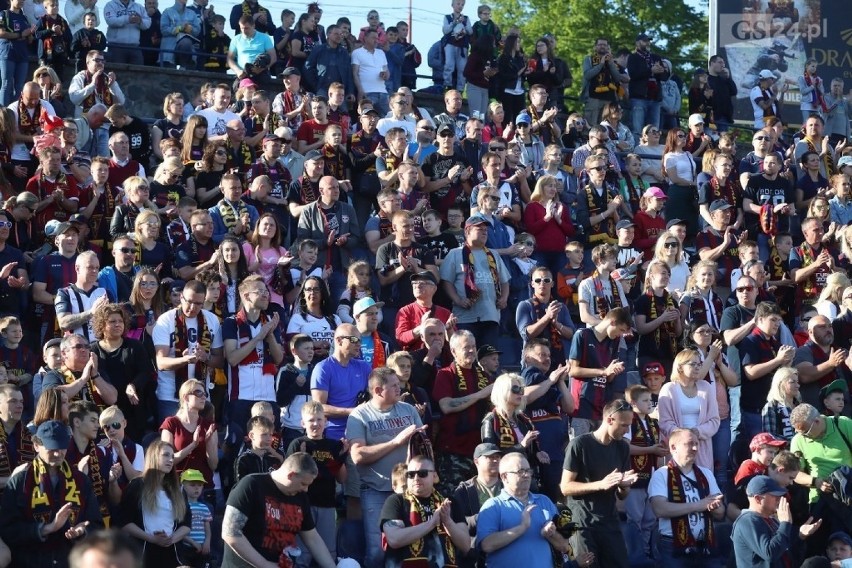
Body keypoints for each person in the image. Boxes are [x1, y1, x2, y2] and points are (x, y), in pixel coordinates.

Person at [348, 366, 425, 567]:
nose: (399, 388)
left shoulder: (408, 410)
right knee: (377, 551)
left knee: (411, 549)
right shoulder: (360, 415)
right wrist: (395, 442)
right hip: (376, 490)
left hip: (410, 491)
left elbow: (421, 448)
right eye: (393, 385)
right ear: (378, 391)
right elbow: (357, 455)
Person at [0, 420, 103, 568]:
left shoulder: (81, 480)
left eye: (62, 447)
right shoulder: (20, 481)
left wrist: (83, 531)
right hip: (30, 562)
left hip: (71, 561)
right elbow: (8, 530)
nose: (58, 453)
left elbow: (96, 524)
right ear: (36, 445)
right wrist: (45, 529)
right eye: (52, 447)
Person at [222, 452, 339, 568]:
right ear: (291, 475)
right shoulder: (251, 485)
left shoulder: (301, 497)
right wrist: (264, 565)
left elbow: (312, 538)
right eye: (303, 484)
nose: (306, 489)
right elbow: (230, 533)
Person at [560, 399, 639, 568]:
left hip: (610, 521)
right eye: (624, 425)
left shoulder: (622, 448)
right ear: (610, 420)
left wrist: (623, 485)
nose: (627, 431)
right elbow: (565, 487)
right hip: (583, 524)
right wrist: (600, 484)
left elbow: (622, 495)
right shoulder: (580, 444)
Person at [477, 451, 574, 567]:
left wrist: (551, 534)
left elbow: (563, 546)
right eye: (521, 471)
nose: (527, 475)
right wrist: (521, 528)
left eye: (528, 471)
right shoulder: (493, 506)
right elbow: (487, 545)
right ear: (504, 477)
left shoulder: (544, 502)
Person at [649, 428, 725, 566]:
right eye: (689, 443)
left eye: (697, 443)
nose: (695, 448)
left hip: (705, 545)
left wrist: (714, 507)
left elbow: (720, 513)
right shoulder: (661, 474)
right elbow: (660, 509)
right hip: (672, 545)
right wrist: (699, 505)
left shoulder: (706, 473)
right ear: (673, 447)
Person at [381, 453, 471, 568]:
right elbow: (394, 539)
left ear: (434, 476)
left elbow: (465, 546)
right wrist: (431, 523)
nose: (416, 478)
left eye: (422, 474)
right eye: (411, 474)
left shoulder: (449, 502)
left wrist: (447, 521)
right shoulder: (396, 501)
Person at [432, 330, 494, 494]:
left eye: (474, 346)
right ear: (453, 351)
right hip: (452, 452)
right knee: (453, 501)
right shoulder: (445, 374)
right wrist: (482, 394)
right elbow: (447, 406)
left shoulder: (483, 376)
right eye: (467, 347)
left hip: (479, 452)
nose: (472, 351)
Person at [152, 279, 224, 421]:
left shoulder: (212, 320)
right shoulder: (165, 320)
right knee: (171, 442)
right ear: (181, 297)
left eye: (198, 303)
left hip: (201, 396)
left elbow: (220, 361)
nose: (192, 307)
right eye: (189, 301)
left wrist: (205, 357)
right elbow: (161, 362)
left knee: (203, 440)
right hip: (171, 395)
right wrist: (184, 360)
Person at [284, 401, 345, 563]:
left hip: (327, 504)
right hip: (303, 504)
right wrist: (302, 459)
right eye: (311, 420)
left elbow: (342, 478)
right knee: (302, 554)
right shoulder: (298, 444)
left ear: (325, 421)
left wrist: (342, 457)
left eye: (319, 419)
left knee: (328, 552)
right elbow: (290, 477)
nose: (315, 424)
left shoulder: (333, 446)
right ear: (302, 423)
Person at [440, 214, 509, 350]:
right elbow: (446, 282)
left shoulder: (493, 254)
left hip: (490, 315)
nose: (484, 232)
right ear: (467, 231)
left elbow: (505, 281)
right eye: (479, 229)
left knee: (488, 357)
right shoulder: (455, 253)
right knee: (466, 355)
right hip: (465, 317)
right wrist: (458, 300)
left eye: (485, 230)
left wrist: (504, 298)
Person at [118, 440, 191, 568]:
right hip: (144, 555)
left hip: (173, 555)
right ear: (153, 456)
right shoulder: (137, 486)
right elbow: (124, 522)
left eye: (172, 456)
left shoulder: (178, 489)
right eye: (166, 455)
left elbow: (186, 524)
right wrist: (152, 539)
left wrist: (170, 540)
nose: (170, 460)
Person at [732, 474, 822, 568]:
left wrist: (800, 536)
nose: (779, 499)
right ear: (758, 499)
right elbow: (770, 554)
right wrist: (785, 523)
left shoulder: (771, 520)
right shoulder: (747, 521)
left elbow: (784, 551)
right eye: (775, 496)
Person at [657, 349, 721, 471]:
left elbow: (714, 420)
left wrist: (698, 432)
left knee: (702, 483)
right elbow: (664, 422)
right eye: (693, 364)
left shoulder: (706, 387)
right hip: (677, 448)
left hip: (701, 446)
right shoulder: (668, 389)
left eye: (699, 364)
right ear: (680, 367)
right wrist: (684, 436)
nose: (697, 367)